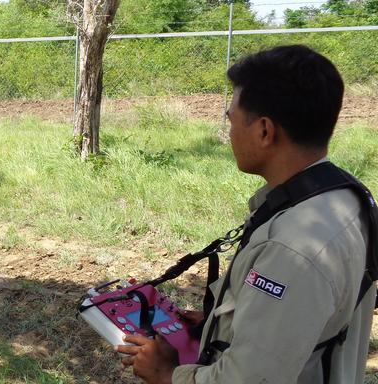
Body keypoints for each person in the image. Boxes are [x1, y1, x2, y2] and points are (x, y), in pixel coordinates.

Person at [116, 45, 376, 384]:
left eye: (232, 120)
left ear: (265, 131)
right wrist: (218, 325)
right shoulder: (346, 196)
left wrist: (167, 374)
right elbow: (305, 319)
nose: (229, 133)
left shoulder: (292, 249)